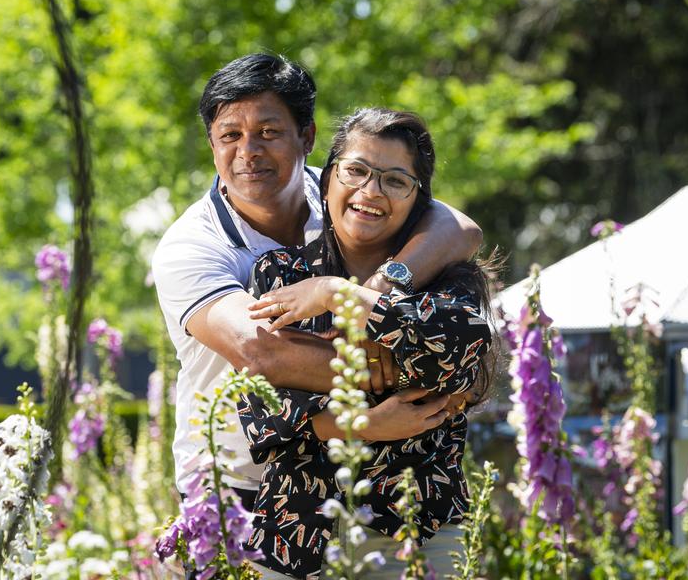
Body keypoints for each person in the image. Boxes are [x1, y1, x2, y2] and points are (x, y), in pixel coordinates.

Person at [150, 54, 482, 544]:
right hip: (237, 491)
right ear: (211, 143)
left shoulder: (346, 186)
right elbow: (262, 352)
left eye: (268, 131)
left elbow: (457, 227)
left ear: (306, 137)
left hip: (350, 487)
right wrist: (413, 364)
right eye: (230, 135)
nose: (249, 152)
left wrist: (371, 293)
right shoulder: (192, 247)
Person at [238, 107, 497, 579]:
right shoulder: (279, 273)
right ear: (328, 180)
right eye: (355, 171)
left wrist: (341, 296)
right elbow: (262, 414)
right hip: (298, 529)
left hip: (418, 530)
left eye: (395, 181)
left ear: (419, 201)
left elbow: (459, 358)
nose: (370, 192)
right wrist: (365, 423)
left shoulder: (449, 278)